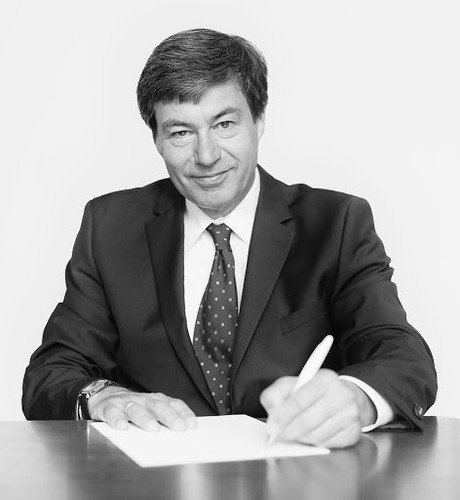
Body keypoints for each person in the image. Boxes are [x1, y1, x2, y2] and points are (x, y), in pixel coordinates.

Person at [22, 28, 437, 449]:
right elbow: (50, 374)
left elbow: (404, 358)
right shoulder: (110, 227)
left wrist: (357, 399)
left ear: (259, 120)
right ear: (157, 140)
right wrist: (102, 395)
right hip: (154, 477)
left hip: (298, 472)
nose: (206, 156)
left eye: (224, 124)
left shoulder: (336, 223)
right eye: (180, 132)